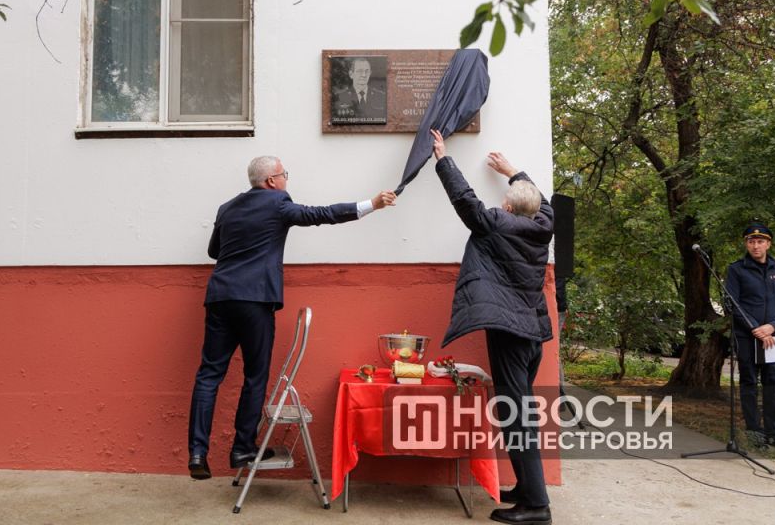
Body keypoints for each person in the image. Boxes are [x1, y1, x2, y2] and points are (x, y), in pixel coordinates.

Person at [187, 156, 397, 480]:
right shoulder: (278, 203)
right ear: (271, 181)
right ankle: (242, 447)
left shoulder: (226, 208)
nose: (287, 180)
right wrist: (371, 204)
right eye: (284, 175)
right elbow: (322, 215)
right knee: (255, 376)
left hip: (219, 297)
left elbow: (215, 252)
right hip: (255, 299)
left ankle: (198, 452)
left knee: (208, 375)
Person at [430, 130, 553, 525]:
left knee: (517, 416)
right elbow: (543, 201)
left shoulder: (495, 224)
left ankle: (536, 507)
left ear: (507, 206)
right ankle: (526, 489)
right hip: (533, 334)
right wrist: (514, 171)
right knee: (520, 412)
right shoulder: (543, 225)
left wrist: (443, 158)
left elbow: (465, 201)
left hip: (510, 334)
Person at [724, 222, 775, 453]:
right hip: (747, 337)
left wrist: (772, 326)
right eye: (751, 241)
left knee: (773, 384)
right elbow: (732, 305)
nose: (756, 246)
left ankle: (774, 436)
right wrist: (756, 329)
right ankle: (755, 436)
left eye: (760, 241)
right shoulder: (737, 269)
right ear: (746, 244)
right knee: (749, 385)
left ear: (768, 244)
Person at [332, 57, 387, 122]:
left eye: (367, 71)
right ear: (351, 74)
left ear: (370, 73)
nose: (364, 75)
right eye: (360, 71)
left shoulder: (381, 96)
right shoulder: (340, 96)